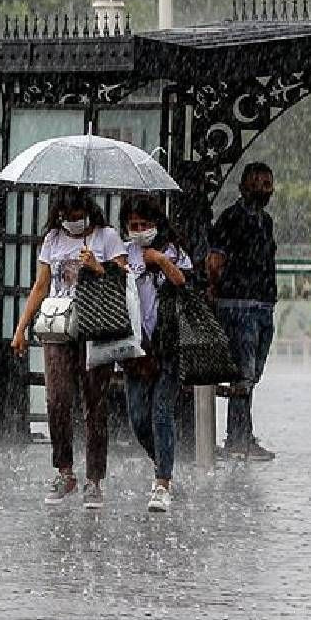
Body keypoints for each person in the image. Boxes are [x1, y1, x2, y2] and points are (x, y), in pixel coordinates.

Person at [12, 187, 127, 509]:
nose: (73, 223)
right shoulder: (52, 239)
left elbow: (123, 281)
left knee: (95, 403)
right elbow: (41, 285)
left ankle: (94, 478)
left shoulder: (107, 237)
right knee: (57, 399)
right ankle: (64, 470)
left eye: (78, 217)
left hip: (95, 327)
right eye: (67, 218)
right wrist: (22, 328)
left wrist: (97, 266)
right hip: (59, 327)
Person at [119, 195, 191, 512]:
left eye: (145, 225)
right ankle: (163, 463)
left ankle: (163, 481)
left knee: (161, 412)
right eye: (133, 225)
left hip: (169, 345)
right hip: (136, 348)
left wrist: (160, 260)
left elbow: (184, 281)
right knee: (138, 418)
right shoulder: (123, 252)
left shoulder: (173, 249)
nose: (139, 230)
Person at [206, 162, 278, 461]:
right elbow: (214, 261)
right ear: (243, 186)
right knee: (242, 373)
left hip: (262, 305)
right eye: (258, 183)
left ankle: (242, 434)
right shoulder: (231, 219)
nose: (264, 189)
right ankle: (238, 438)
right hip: (238, 305)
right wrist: (216, 291)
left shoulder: (266, 221)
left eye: (268, 184)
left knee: (252, 373)